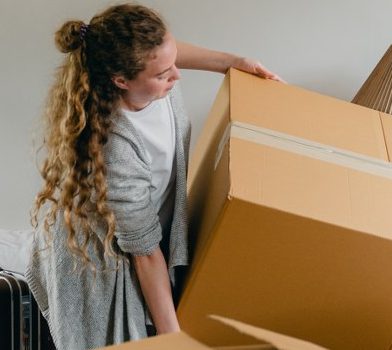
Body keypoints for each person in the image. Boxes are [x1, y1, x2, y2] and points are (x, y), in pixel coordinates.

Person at [26, 4, 282, 349]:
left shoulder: (152, 77)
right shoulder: (113, 146)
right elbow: (145, 255)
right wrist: (173, 339)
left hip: (143, 239)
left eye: (173, 62)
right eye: (164, 74)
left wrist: (233, 62)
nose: (177, 76)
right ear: (121, 80)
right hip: (100, 263)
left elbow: (166, 52)